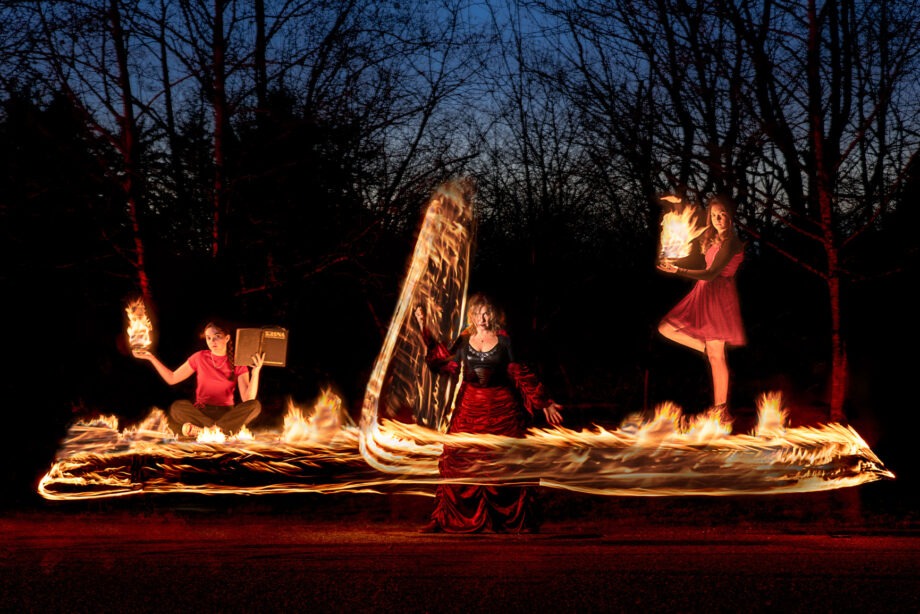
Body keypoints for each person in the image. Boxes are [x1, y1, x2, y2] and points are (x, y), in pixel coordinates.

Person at [414, 293, 563, 534]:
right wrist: (423, 327)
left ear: (492, 314)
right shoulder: (464, 339)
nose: (482, 317)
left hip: (501, 405)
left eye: (486, 312)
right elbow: (443, 361)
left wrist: (543, 402)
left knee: (508, 460)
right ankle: (444, 518)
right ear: (471, 316)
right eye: (477, 313)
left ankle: (518, 521)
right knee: (456, 459)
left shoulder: (504, 340)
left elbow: (517, 371)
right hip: (471, 405)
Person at [657, 194, 746, 411]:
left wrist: (678, 270)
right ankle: (709, 353)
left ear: (731, 216)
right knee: (666, 328)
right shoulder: (712, 238)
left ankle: (721, 409)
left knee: (717, 355)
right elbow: (687, 225)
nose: (717, 218)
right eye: (714, 215)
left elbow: (712, 273)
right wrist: (678, 204)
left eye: (722, 213)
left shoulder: (732, 242)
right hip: (703, 292)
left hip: (719, 294)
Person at [133, 320, 265, 438]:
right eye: (208, 338)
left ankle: (207, 431)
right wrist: (151, 358)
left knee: (255, 405)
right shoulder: (199, 357)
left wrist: (256, 372)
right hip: (201, 413)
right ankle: (217, 430)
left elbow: (248, 399)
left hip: (227, 415)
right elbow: (172, 378)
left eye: (217, 337)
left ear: (227, 338)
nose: (212, 342)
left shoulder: (238, 361)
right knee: (177, 407)